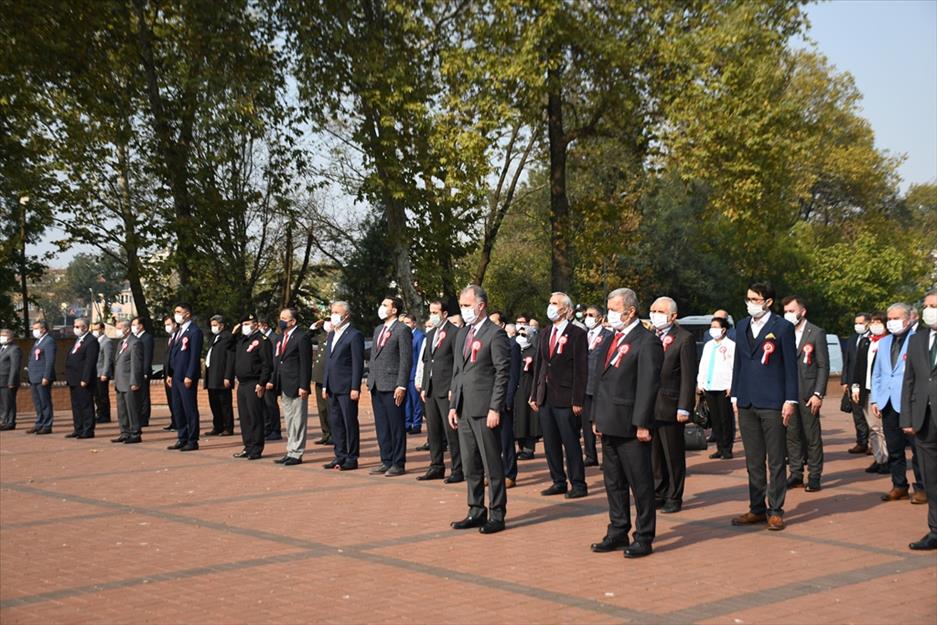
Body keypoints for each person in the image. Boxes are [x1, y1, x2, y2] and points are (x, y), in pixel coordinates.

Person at [589, 287, 662, 558]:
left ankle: (643, 536)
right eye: (609, 309)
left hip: (631, 424)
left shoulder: (646, 341)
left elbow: (647, 385)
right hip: (609, 420)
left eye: (615, 309)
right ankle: (618, 529)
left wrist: (643, 423)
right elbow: (600, 378)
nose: (611, 314)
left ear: (630, 311)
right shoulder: (611, 338)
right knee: (613, 481)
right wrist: (596, 415)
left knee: (640, 483)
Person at [730, 281, 798, 531]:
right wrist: (735, 394)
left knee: (776, 460)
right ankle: (756, 507)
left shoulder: (783, 328)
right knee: (753, 460)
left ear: (768, 302)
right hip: (747, 400)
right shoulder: (741, 325)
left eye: (755, 299)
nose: (750, 304)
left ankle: (776, 509)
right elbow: (739, 362)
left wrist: (790, 400)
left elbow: (791, 367)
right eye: (748, 299)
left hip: (773, 402)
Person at [448, 284, 511, 535]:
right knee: (470, 464)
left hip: (485, 409)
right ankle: (475, 509)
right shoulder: (462, 334)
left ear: (481, 305)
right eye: (461, 306)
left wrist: (495, 407)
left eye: (467, 305)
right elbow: (457, 372)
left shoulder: (495, 334)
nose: (463, 310)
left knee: (491, 464)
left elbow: (502, 373)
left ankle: (497, 513)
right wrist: (453, 406)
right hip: (464, 408)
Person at [529, 292, 589, 498]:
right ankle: (558, 480)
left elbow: (582, 369)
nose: (551, 306)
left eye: (555, 303)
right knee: (550, 443)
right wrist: (534, 394)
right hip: (546, 397)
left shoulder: (577, 334)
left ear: (566, 309)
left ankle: (578, 484)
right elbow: (540, 365)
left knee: (570, 442)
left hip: (566, 397)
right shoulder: (545, 333)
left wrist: (577, 399)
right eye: (550, 302)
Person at [871, 303, 925, 503]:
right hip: (887, 401)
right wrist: (875, 398)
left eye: (896, 318)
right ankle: (899, 485)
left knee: (918, 449)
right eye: (889, 318)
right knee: (894, 448)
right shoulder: (884, 342)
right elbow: (877, 373)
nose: (891, 322)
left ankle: (921, 487)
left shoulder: (918, 340)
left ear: (910, 319)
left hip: (910, 402)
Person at [647, 297, 697, 514]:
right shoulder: (649, 336)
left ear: (673, 316)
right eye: (653, 310)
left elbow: (688, 375)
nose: (655, 314)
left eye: (660, 311)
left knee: (672, 454)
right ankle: (659, 491)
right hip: (649, 405)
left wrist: (684, 407)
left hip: (670, 404)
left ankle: (674, 496)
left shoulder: (684, 338)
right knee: (654, 454)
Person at [781, 295, 830, 492]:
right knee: (791, 436)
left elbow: (823, 366)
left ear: (802, 311)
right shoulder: (782, 333)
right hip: (788, 394)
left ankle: (815, 475)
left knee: (812, 437)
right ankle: (796, 473)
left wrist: (818, 393)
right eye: (785, 311)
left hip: (809, 394)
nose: (788, 315)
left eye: (791, 311)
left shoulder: (816, 333)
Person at [901, 289, 937, 550]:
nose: (928, 310)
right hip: (924, 419)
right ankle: (935, 530)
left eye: (934, 305)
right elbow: (909, 382)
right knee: (931, 478)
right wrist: (908, 417)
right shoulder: (917, 340)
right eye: (926, 305)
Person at [417, 300, 463, 483]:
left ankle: (458, 469)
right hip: (430, 389)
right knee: (433, 430)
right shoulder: (430, 335)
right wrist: (423, 385)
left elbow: (458, 364)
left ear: (444, 314)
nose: (432, 316)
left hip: (446, 389)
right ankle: (436, 465)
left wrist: (454, 387)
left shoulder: (455, 333)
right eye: (431, 312)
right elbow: (427, 361)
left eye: (436, 312)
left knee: (451, 431)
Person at [368, 295, 413, 476]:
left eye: (385, 304)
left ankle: (398, 462)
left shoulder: (402, 330)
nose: (381, 307)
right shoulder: (379, 329)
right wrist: (371, 378)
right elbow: (374, 356)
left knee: (396, 426)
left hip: (392, 384)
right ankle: (385, 460)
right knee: (382, 426)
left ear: (394, 310)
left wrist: (401, 385)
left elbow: (405, 359)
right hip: (376, 384)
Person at [322, 301, 364, 470]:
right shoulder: (332, 334)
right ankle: (339, 455)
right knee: (336, 423)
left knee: (349, 422)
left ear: (346, 315)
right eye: (332, 312)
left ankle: (351, 457)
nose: (333, 315)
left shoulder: (354, 335)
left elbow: (357, 363)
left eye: (337, 312)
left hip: (347, 387)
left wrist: (355, 387)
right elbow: (329, 361)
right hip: (332, 386)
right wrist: (325, 384)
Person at [272, 307, 311, 466]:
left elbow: (305, 363)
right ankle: (290, 450)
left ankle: (297, 452)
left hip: (296, 384)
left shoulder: (302, 337)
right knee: (288, 419)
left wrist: (304, 385)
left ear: (293, 321)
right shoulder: (281, 337)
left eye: (284, 318)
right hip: (284, 383)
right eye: (280, 317)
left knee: (298, 420)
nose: (281, 321)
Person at [852, 313, 889, 474]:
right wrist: (856, 386)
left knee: (881, 428)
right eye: (873, 322)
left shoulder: (888, 343)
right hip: (866, 389)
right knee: (873, 427)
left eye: (878, 322)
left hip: (880, 390)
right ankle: (878, 457)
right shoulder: (866, 342)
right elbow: (858, 365)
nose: (875, 325)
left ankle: (886, 459)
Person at [233, 314, 273, 460]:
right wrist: (234, 332)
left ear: (256, 325)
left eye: (248, 324)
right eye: (243, 324)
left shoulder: (262, 341)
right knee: (244, 418)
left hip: (254, 383)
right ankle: (248, 446)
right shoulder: (243, 340)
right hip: (242, 384)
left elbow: (267, 364)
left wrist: (262, 383)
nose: (245, 327)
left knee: (255, 416)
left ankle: (256, 448)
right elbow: (230, 347)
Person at [697, 316, 735, 459]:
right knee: (715, 418)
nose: (712, 330)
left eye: (715, 327)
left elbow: (733, 367)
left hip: (724, 386)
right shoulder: (708, 345)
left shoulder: (731, 345)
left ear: (723, 329)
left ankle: (727, 448)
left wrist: (731, 385)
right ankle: (719, 447)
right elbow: (703, 365)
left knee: (725, 418)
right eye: (711, 327)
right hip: (709, 385)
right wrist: (700, 383)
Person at [167, 303, 203, 451]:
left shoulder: (194, 331)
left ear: (187, 314)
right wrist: (169, 373)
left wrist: (190, 375)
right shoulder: (178, 331)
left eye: (179, 311)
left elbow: (194, 356)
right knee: (177, 408)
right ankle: (182, 437)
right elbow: (172, 354)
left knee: (189, 408)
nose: (176, 314)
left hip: (186, 377)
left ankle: (192, 439)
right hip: (175, 376)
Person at [583, 305, 612, 467]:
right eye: (586, 314)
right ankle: (590, 454)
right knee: (587, 423)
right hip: (585, 385)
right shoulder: (584, 335)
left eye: (591, 315)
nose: (588, 317)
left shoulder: (608, 335)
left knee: (601, 422)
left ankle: (606, 457)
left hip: (600, 385)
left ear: (600, 318)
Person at [65, 318, 100, 439]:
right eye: (74, 326)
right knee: (76, 405)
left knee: (86, 405)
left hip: (83, 379)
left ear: (85, 327)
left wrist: (85, 379)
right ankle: (78, 428)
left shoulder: (91, 341)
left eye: (77, 326)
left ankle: (88, 430)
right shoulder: (78, 340)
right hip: (73, 378)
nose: (75, 328)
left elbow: (89, 362)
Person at [842, 313, 872, 454]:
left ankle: (874, 443)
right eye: (856, 323)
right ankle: (861, 442)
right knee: (857, 414)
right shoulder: (853, 339)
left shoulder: (873, 338)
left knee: (870, 415)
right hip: (853, 383)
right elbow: (847, 361)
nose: (857, 326)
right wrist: (845, 380)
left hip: (867, 382)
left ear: (867, 323)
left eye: (860, 323)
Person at [111, 320, 143, 444]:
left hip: (129, 382)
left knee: (132, 409)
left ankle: (135, 432)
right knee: (122, 410)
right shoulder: (121, 343)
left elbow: (136, 364)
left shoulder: (135, 343)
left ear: (127, 329)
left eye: (119, 328)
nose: (117, 330)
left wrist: (134, 381)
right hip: (120, 382)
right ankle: (124, 432)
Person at [204, 315, 236, 436]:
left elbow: (230, 359)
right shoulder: (215, 337)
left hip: (221, 375)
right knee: (214, 402)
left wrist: (228, 376)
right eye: (212, 325)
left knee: (224, 403)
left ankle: (228, 427)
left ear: (221, 325)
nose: (213, 327)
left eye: (215, 325)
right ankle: (217, 426)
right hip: (212, 374)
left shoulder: (227, 337)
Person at [513, 316, 539, 459]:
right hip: (516, 390)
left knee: (528, 419)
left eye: (524, 335)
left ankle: (529, 449)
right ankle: (519, 447)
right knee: (518, 419)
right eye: (519, 334)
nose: (521, 337)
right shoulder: (515, 350)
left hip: (528, 388)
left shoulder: (534, 351)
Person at [26, 319, 56, 434]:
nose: (34, 331)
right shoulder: (38, 341)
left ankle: (47, 425)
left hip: (42, 377)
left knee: (45, 402)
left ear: (43, 329)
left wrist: (46, 376)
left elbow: (49, 361)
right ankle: (39, 423)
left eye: (36, 329)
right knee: (37, 402)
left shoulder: (48, 341)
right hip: (34, 377)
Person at [309, 314, 332, 445]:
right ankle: (326, 433)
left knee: (331, 407)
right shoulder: (322, 336)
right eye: (326, 321)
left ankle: (334, 434)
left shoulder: (338, 335)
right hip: (319, 376)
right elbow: (308, 338)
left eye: (330, 320)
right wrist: (313, 327)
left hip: (330, 376)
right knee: (322, 408)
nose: (328, 323)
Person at [259, 319, 283, 441]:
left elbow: (275, 361)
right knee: (263, 405)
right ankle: (267, 428)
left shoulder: (274, 338)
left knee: (270, 404)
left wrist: (271, 379)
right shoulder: (260, 339)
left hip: (270, 377)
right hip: (262, 378)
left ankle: (275, 429)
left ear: (265, 325)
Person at [402, 313, 425, 435]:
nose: (405, 325)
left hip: (415, 373)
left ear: (414, 323)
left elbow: (422, 356)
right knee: (407, 402)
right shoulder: (404, 335)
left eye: (408, 323)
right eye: (404, 323)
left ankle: (416, 424)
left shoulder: (419, 336)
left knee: (416, 402)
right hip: (405, 374)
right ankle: (407, 423)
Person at [132, 316, 154, 427]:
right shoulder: (134, 338)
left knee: (144, 395)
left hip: (143, 371)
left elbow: (147, 356)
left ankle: (144, 418)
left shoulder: (147, 338)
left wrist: (145, 372)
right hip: (135, 371)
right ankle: (137, 416)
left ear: (140, 326)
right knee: (137, 396)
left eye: (134, 325)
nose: (133, 327)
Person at [0, 328, 23, 430]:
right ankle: (3, 421)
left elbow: (15, 367)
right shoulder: (2, 348)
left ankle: (9, 422)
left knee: (8, 402)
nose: (2, 337)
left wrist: (12, 381)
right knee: (2, 403)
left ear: (11, 337)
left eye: (4, 335)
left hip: (7, 381)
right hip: (1, 381)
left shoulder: (14, 349)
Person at [161, 316, 179, 432]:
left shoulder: (178, 337)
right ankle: (174, 421)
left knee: (176, 400)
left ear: (175, 324)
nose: (166, 327)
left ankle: (178, 422)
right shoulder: (171, 338)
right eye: (165, 325)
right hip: (168, 374)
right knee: (170, 400)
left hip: (175, 374)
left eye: (168, 324)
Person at [92, 322, 113, 423]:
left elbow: (108, 359)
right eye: (94, 329)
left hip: (102, 373)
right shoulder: (95, 341)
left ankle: (105, 415)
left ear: (102, 329)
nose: (95, 332)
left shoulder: (107, 342)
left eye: (97, 329)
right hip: (95, 373)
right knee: (97, 396)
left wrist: (105, 373)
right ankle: (99, 413)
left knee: (103, 395)